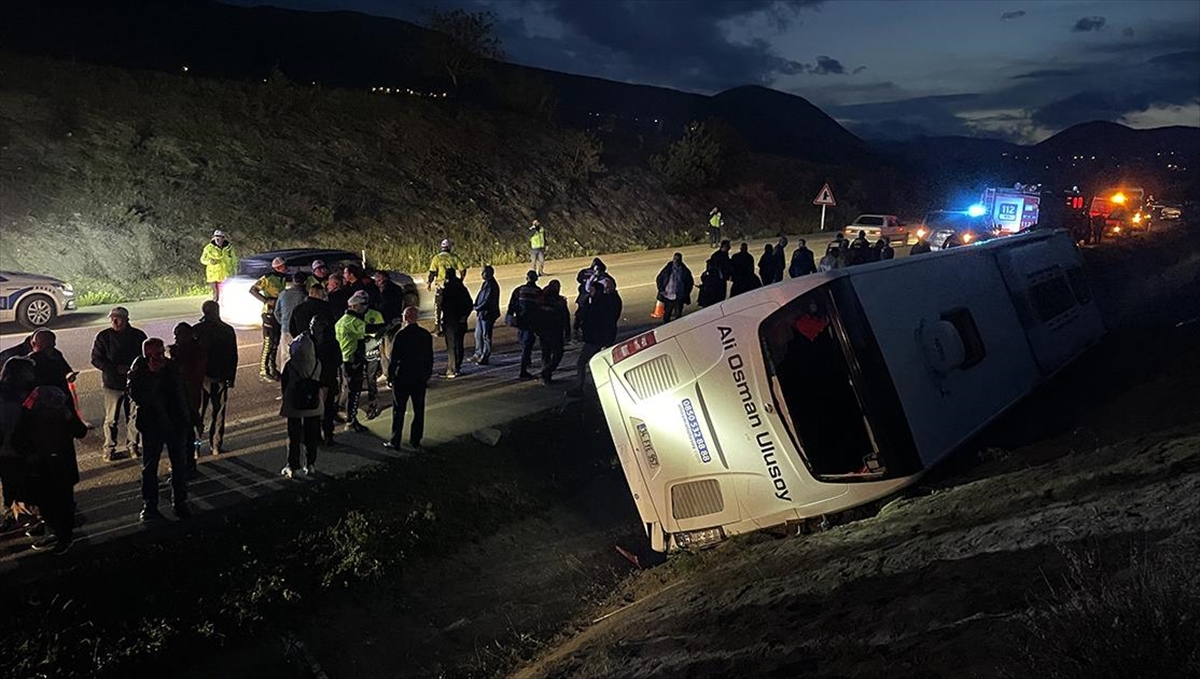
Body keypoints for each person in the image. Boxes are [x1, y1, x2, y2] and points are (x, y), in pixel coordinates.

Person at [13, 385, 86, 554]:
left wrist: (70, 419)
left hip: (56, 468)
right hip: (48, 468)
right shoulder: (33, 416)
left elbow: (80, 431)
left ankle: (63, 537)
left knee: (60, 504)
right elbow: (19, 440)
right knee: (50, 503)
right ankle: (53, 531)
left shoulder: (52, 413)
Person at [128, 338, 193, 522]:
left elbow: (182, 392)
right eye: (151, 354)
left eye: (159, 353)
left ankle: (180, 502)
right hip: (152, 425)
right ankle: (150, 506)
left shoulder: (172, 367)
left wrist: (190, 417)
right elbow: (138, 397)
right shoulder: (139, 370)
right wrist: (153, 375)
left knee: (179, 465)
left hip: (176, 423)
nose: (157, 358)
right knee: (150, 467)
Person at [91, 306, 148, 462]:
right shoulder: (104, 337)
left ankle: (133, 446)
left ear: (126, 319)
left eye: (118, 318)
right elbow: (96, 359)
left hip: (133, 383)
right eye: (112, 318)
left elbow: (145, 357)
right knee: (111, 419)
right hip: (112, 384)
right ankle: (109, 448)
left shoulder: (138, 336)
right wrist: (115, 369)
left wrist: (136, 370)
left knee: (134, 417)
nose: (114, 321)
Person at [385, 306, 434, 452]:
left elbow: (394, 359)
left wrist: (390, 376)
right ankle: (415, 439)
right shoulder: (425, 335)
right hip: (419, 377)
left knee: (398, 410)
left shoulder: (401, 335)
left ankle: (395, 440)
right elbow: (429, 358)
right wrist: (426, 375)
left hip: (403, 377)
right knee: (419, 410)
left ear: (405, 317)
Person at [193, 300, 237, 456]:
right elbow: (233, 356)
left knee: (198, 414)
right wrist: (231, 377)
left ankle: (196, 447)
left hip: (201, 377)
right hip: (221, 377)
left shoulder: (197, 330)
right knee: (218, 413)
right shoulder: (227, 330)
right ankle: (216, 445)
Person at [0, 357, 36, 535]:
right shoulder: (25, 395)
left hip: (10, 450)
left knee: (13, 485)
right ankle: (18, 515)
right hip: (16, 450)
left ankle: (16, 515)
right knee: (19, 484)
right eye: (29, 372)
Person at [279, 334, 323, 478]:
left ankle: (294, 466)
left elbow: (284, 385)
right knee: (311, 436)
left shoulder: (291, 365)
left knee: (294, 436)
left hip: (294, 405)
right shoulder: (317, 363)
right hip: (313, 404)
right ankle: (311, 465)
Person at [571, 276, 621, 395]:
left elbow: (585, 316)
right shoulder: (603, 302)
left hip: (595, 339)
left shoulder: (597, 304)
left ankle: (580, 387)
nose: (590, 293)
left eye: (592, 291)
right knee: (598, 362)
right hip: (600, 338)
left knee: (582, 362)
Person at [168, 322, 206, 471]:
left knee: (187, 430)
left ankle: (189, 462)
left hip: (189, 395)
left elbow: (190, 373)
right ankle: (185, 461)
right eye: (176, 335)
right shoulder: (178, 350)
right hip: (182, 395)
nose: (176, 338)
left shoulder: (195, 351)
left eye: (179, 335)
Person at [335, 290, 374, 432]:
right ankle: (351, 421)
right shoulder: (354, 321)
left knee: (345, 388)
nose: (365, 307)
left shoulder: (342, 320)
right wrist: (388, 325)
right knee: (354, 392)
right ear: (354, 306)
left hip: (343, 359)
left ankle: (337, 414)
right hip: (353, 360)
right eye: (362, 304)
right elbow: (371, 330)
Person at [250, 256, 288, 381]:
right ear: (277, 268)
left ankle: (272, 368)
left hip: (278, 313)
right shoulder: (267, 278)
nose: (285, 267)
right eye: (283, 266)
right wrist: (266, 300)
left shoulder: (282, 279)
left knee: (275, 342)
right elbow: (253, 290)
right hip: (268, 314)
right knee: (268, 342)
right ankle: (263, 370)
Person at [507, 271, 542, 381]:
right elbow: (541, 307)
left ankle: (526, 362)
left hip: (520, 321)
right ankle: (523, 370)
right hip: (531, 323)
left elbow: (512, 305)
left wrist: (511, 316)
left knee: (524, 343)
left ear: (526, 278)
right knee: (527, 345)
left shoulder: (519, 290)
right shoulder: (538, 292)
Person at [427, 238, 467, 336]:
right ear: (449, 248)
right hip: (452, 286)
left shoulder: (436, 258)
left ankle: (437, 327)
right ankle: (450, 325)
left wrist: (429, 283)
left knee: (438, 307)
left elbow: (432, 272)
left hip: (440, 286)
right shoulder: (454, 257)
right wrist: (460, 280)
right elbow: (463, 270)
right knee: (451, 307)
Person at [535, 280, 571, 386]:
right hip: (555, 331)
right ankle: (547, 372)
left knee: (546, 354)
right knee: (557, 353)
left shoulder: (541, 301)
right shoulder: (559, 302)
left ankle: (546, 375)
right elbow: (565, 318)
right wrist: (567, 332)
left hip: (544, 331)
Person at [439, 270, 473, 379]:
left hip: (451, 321)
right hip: (460, 321)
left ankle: (452, 369)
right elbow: (469, 304)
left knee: (452, 346)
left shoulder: (447, 290)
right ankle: (457, 366)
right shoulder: (462, 289)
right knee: (459, 344)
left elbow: (442, 306)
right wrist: (464, 316)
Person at [274, 272, 309, 374]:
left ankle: (285, 377)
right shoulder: (304, 296)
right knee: (300, 356)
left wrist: (283, 322)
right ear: (305, 282)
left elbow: (277, 312)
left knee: (285, 355)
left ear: (294, 281)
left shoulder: (283, 294)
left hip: (285, 329)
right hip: (300, 330)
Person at [471, 265, 501, 365]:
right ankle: (478, 353)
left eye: (483, 272)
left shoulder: (492, 285)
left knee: (486, 336)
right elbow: (480, 296)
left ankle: (485, 355)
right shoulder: (486, 284)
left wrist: (477, 307)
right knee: (477, 334)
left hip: (487, 314)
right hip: (482, 313)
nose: (481, 274)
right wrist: (475, 304)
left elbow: (487, 301)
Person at [655, 252, 694, 324]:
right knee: (667, 314)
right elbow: (659, 278)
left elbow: (690, 283)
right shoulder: (668, 269)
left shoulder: (685, 271)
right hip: (668, 296)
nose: (676, 261)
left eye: (678, 259)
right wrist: (661, 290)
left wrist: (686, 294)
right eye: (675, 259)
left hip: (679, 297)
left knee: (678, 316)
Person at [200, 229, 237, 301]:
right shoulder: (208, 248)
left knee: (226, 295)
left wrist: (235, 271)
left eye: (219, 236)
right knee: (216, 295)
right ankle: (214, 309)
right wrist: (209, 261)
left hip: (226, 275)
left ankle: (224, 310)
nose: (217, 238)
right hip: (213, 276)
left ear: (223, 238)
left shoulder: (229, 248)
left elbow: (234, 260)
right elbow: (202, 260)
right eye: (215, 236)